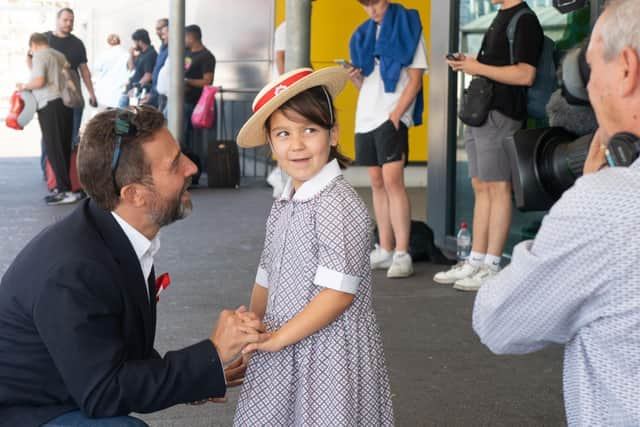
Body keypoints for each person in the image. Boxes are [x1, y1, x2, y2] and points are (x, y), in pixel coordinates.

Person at [0, 105, 267, 427]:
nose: (192, 167)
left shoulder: (108, 233)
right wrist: (210, 354)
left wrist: (203, 371)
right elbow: (104, 392)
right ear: (135, 195)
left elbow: (115, 352)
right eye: (174, 165)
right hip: (24, 413)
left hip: (68, 390)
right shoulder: (73, 270)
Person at [473, 1, 640, 424]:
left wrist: (584, 194)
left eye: (587, 69)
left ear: (626, 68)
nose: (586, 88)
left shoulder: (606, 204)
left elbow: (500, 321)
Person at [233, 67, 394, 425]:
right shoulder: (287, 200)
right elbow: (266, 275)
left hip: (328, 353)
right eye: (284, 133)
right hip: (282, 341)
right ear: (271, 144)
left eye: (310, 130)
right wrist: (255, 328)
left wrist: (276, 340)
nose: (297, 144)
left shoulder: (338, 203)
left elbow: (338, 294)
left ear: (333, 134)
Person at [434, 0, 544, 291]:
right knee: (482, 186)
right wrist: (471, 63)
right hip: (482, 113)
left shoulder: (525, 20)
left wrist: (476, 66)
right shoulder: (502, 16)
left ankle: (491, 265)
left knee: (497, 188)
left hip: (502, 114)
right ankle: (476, 260)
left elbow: (525, 74)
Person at [348, 0, 428, 278]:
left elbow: (415, 80)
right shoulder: (363, 34)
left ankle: (402, 253)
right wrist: (355, 78)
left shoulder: (408, 27)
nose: (373, 10)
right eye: (366, 5)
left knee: (393, 182)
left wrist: (396, 114)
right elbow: (369, 83)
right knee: (376, 182)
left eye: (377, 2)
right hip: (366, 115)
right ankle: (385, 247)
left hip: (391, 115)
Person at [16, 33, 79, 206]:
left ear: (33, 45)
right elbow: (57, 74)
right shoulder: (58, 55)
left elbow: (39, 80)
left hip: (49, 105)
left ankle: (65, 191)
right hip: (64, 103)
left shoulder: (40, 55)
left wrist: (24, 86)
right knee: (63, 146)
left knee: (54, 148)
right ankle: (65, 189)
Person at [45, 8, 98, 146]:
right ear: (57, 20)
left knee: (72, 139)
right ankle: (49, 167)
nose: (68, 23)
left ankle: (68, 166)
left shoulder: (77, 44)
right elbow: (30, 58)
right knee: (51, 138)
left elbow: (84, 71)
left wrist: (92, 94)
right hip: (51, 98)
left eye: (71, 21)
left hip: (73, 97)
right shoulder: (45, 39)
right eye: (65, 20)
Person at [182, 24, 215, 183]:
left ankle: (194, 174)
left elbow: (207, 81)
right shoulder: (186, 53)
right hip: (183, 102)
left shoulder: (206, 56)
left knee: (191, 141)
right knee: (183, 138)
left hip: (195, 105)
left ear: (191, 37)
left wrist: (187, 81)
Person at [121, 29, 157, 107]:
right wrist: (131, 55)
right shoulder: (141, 54)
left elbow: (148, 75)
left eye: (134, 42)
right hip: (131, 91)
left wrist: (136, 88)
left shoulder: (150, 54)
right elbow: (131, 68)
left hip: (140, 92)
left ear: (140, 41)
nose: (133, 44)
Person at [93, 34, 130, 109]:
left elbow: (96, 67)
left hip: (105, 93)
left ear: (108, 43)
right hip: (119, 92)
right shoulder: (127, 54)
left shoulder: (104, 54)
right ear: (119, 42)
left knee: (105, 117)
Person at [143, 18, 169, 109]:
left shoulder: (174, 48)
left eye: (160, 29)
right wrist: (151, 93)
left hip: (166, 95)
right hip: (156, 93)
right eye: (157, 29)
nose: (159, 33)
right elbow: (157, 73)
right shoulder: (162, 47)